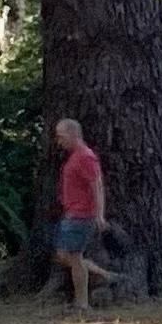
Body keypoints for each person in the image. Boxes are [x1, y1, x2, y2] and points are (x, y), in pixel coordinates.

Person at [51, 113, 111, 311]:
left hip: (81, 215)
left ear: (72, 134)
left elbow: (97, 185)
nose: (58, 141)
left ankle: (82, 303)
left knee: (74, 257)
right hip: (72, 214)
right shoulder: (76, 157)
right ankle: (100, 274)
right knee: (64, 255)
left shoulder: (85, 157)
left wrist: (99, 214)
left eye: (61, 136)